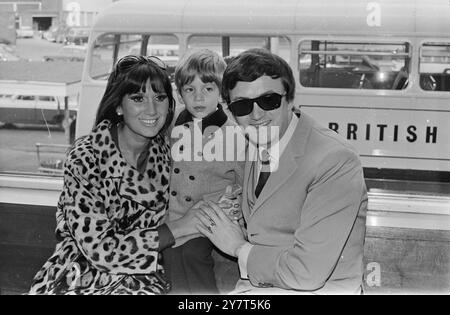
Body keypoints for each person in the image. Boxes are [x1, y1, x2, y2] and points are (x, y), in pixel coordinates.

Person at [196, 49, 368, 294]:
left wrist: (237, 247)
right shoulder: (255, 144)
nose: (256, 115)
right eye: (243, 105)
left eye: (269, 100)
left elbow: (307, 274)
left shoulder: (335, 160)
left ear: (289, 100)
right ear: (231, 112)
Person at [29, 55, 201, 295]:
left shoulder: (169, 156)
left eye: (160, 97)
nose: (152, 109)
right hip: (81, 276)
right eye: (138, 98)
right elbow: (100, 251)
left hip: (143, 277)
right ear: (118, 106)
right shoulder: (86, 158)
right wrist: (179, 228)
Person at [163, 49, 244, 294]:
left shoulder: (233, 133)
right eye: (190, 90)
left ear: (222, 92)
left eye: (208, 89)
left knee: (193, 255)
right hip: (174, 215)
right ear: (180, 93)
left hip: (211, 216)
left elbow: (244, 179)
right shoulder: (173, 122)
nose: (199, 97)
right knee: (170, 254)